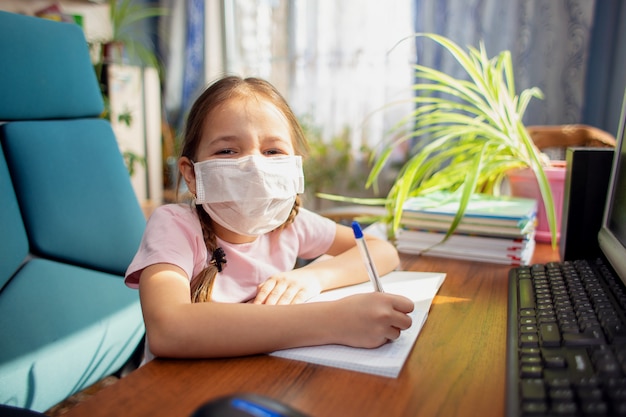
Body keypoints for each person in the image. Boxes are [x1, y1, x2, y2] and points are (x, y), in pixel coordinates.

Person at [124, 75, 414, 363]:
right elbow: (168, 328)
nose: (255, 167)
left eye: (272, 151)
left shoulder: (291, 224)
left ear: (294, 168)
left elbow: (381, 251)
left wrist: (313, 277)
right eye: (227, 151)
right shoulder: (174, 226)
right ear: (191, 173)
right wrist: (333, 321)